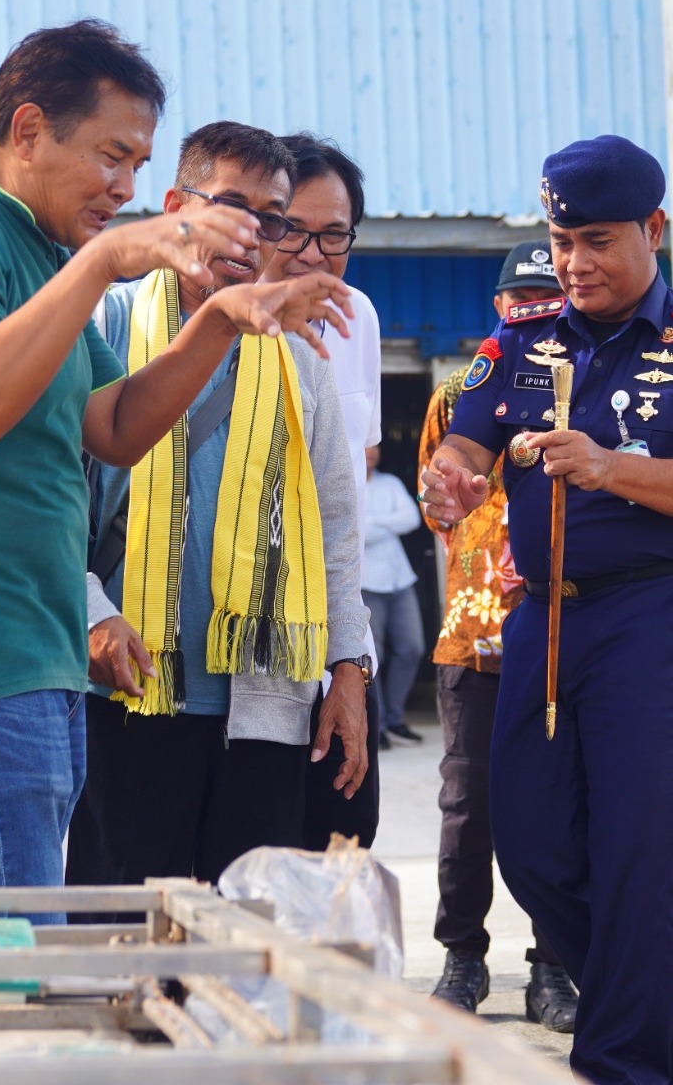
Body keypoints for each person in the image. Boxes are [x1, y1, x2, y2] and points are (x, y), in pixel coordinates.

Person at [0, 20, 345, 914]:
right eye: (112, 155)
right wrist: (108, 258)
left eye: (139, 164)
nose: (128, 188)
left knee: (17, 942)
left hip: (27, 655)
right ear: (26, 130)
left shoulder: (35, 248)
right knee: (8, 957)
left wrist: (220, 320)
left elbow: (111, 426)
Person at [421, 135, 673, 1085]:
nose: (576, 261)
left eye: (599, 239)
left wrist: (611, 467)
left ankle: (622, 1065)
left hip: (663, 618)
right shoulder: (524, 339)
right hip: (540, 620)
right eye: (562, 237)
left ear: (654, 230)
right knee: (530, 844)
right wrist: (449, 482)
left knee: (637, 844)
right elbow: (464, 445)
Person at [66, 122, 373, 886]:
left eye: (271, 219)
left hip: (265, 702)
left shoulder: (300, 351)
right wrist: (92, 614)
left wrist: (347, 671)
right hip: (125, 691)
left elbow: (336, 521)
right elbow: (46, 503)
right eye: (229, 208)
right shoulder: (102, 324)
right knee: (124, 938)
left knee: (245, 941)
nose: (252, 236)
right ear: (175, 206)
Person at [420, 241, 578, 1029]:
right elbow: (436, 500)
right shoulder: (460, 392)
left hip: (564, 628)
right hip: (475, 631)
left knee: (557, 804)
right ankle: (462, 958)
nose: (532, 312)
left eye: (546, 298)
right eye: (520, 300)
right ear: (500, 309)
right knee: (466, 803)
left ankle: (553, 969)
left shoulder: (594, 387)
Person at [272, 134, 387, 849]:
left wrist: (349, 657)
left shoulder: (359, 316)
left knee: (341, 844)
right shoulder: (195, 326)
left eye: (334, 235)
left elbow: (359, 461)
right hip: (240, 659)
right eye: (292, 230)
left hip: (336, 643)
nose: (315, 254)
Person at [359, 445, 427, 744]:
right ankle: (379, 726)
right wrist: (387, 524)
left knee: (412, 648)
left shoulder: (391, 483)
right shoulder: (346, 484)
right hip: (365, 584)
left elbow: (412, 518)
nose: (371, 451)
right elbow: (354, 533)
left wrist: (371, 524)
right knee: (374, 657)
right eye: (365, 445)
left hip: (400, 580)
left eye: (375, 446)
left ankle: (395, 717)